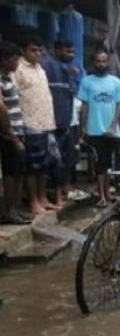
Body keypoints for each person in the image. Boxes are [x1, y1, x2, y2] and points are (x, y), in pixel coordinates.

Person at [14, 35, 59, 215]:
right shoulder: (17, 69)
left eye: (39, 50)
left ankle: (43, 198)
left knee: (45, 165)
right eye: (33, 50)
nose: (37, 54)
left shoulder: (40, 69)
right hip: (29, 124)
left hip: (46, 123)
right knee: (32, 167)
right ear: (23, 50)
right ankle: (33, 201)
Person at [78, 50, 120, 207]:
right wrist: (83, 127)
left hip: (111, 132)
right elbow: (84, 106)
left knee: (107, 164)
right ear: (94, 62)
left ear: (108, 63)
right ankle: (102, 196)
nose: (101, 64)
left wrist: (113, 126)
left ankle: (107, 193)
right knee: (100, 164)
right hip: (94, 130)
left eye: (104, 61)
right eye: (98, 61)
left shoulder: (116, 82)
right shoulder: (87, 82)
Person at [42, 40, 77, 209]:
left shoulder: (68, 69)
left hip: (64, 123)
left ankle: (60, 194)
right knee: (52, 161)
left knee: (64, 159)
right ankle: (54, 198)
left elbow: (69, 98)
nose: (70, 54)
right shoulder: (47, 66)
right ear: (56, 50)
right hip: (50, 124)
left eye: (72, 51)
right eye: (66, 50)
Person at [0, 41, 31, 224]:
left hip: (16, 131)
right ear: (4, 59)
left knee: (18, 172)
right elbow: (1, 107)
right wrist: (11, 134)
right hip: (8, 135)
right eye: (14, 59)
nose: (17, 63)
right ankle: (9, 211)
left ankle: (14, 209)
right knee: (11, 174)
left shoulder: (7, 78)